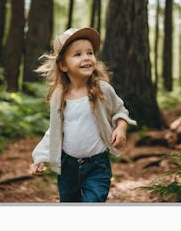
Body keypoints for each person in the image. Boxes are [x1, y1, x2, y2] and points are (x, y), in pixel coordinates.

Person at [30, 27, 137, 202]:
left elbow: (120, 110)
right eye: (77, 54)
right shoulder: (59, 96)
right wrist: (40, 157)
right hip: (67, 167)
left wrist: (121, 128)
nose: (86, 57)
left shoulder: (102, 90)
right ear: (63, 65)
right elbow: (54, 131)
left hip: (97, 165)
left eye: (90, 52)